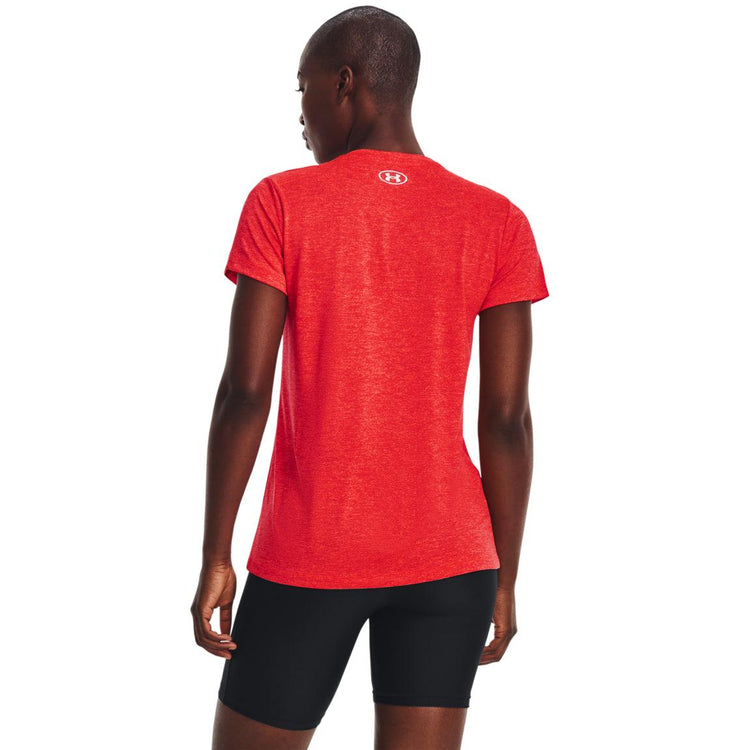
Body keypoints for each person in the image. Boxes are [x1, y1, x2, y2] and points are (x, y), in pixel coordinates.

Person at [190, 5, 550, 749]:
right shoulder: (498, 221)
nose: (300, 114)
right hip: (454, 563)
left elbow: (244, 394)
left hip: (311, 553)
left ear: (344, 84)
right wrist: (505, 575)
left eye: (304, 89)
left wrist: (216, 554)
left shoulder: (281, 202)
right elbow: (507, 420)